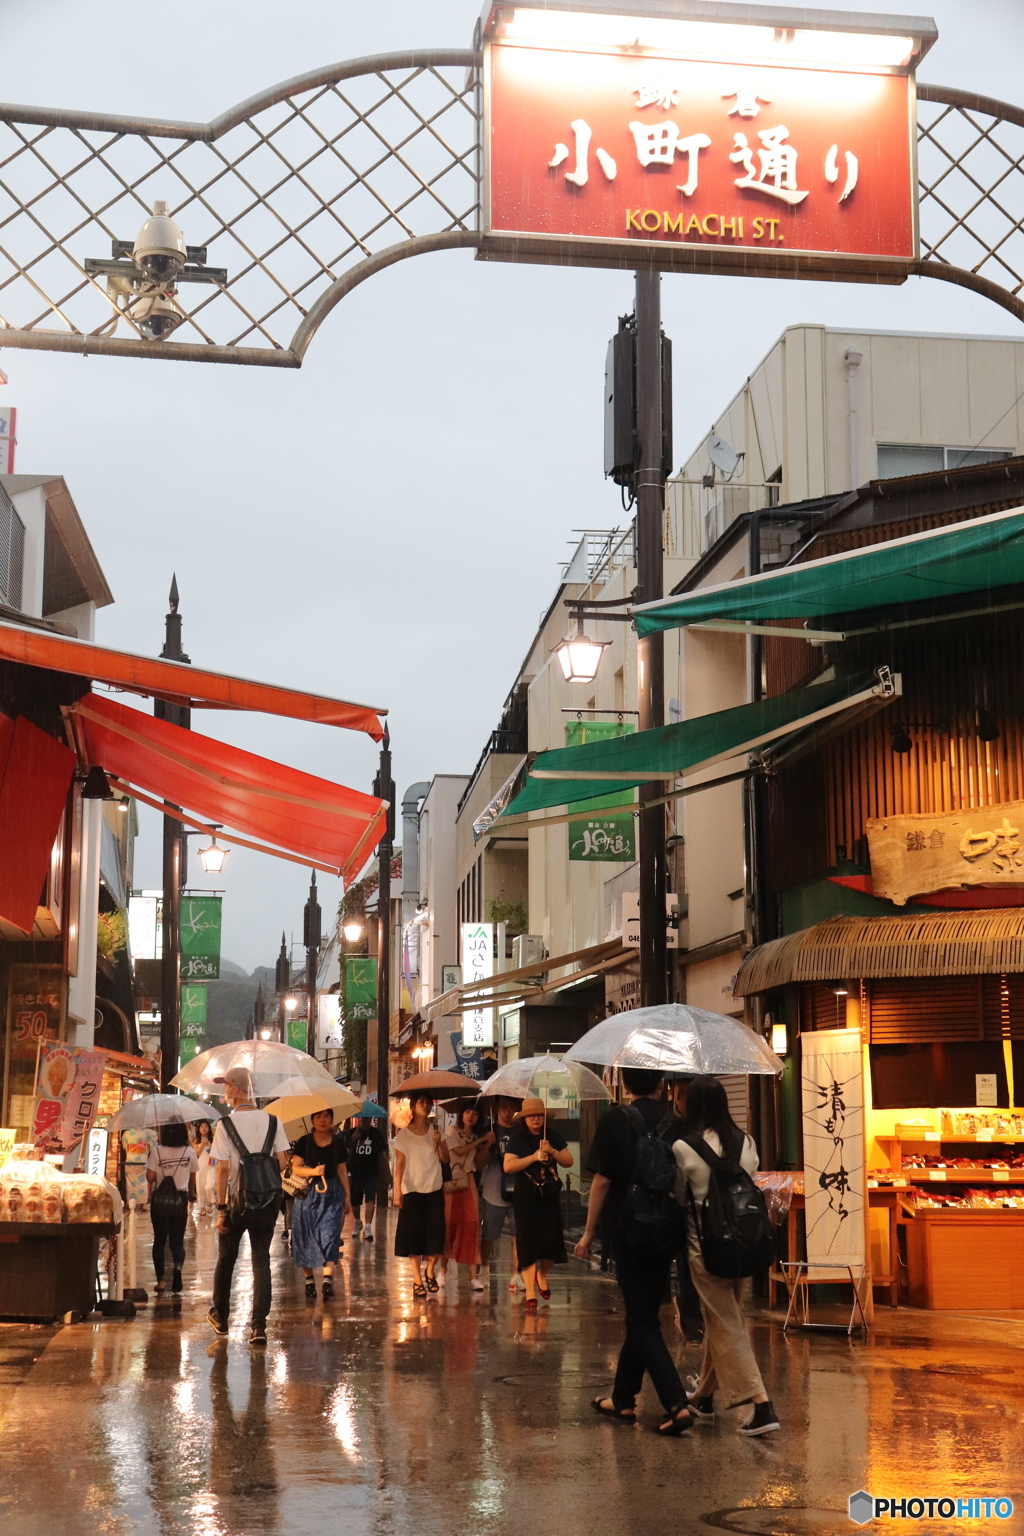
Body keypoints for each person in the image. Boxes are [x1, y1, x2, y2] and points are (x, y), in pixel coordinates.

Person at [574, 1067, 692, 1436]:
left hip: (627, 1230)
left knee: (642, 1319)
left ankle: (675, 1401)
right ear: (661, 1085)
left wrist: (589, 1231)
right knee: (642, 1312)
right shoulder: (676, 1124)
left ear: (624, 1084)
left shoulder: (614, 1121)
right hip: (667, 1230)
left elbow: (603, 1180)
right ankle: (622, 1397)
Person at [674, 1076, 780, 1436]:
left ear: (694, 1106)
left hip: (704, 1248)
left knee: (726, 1322)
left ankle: (762, 1404)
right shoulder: (747, 1141)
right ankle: (704, 1396)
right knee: (723, 1317)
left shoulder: (683, 1147)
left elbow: (677, 1197)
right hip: (744, 1244)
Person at [209, 1067, 290, 1346]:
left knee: (226, 1259)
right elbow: (283, 1162)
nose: (224, 1091)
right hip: (266, 1201)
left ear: (235, 1089)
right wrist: (261, 1171)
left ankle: (220, 1318)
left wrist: (221, 1209)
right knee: (261, 1261)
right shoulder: (273, 1121)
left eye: (226, 1086)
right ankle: (258, 1327)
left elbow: (221, 1170)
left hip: (236, 1202)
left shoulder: (225, 1125)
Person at [503, 1097, 573, 1309]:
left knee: (552, 1241)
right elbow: (508, 1166)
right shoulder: (517, 1138)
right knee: (528, 1243)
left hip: (549, 1195)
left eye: (539, 1115)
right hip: (526, 1196)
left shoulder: (551, 1136)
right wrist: (533, 1157)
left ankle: (542, 1275)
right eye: (531, 1116)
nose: (535, 1119)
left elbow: (568, 1160)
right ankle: (530, 1291)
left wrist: (552, 1151)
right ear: (524, 1119)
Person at [290, 1108, 351, 1302]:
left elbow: (342, 1171)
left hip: (332, 1194)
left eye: (326, 1116)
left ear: (332, 1120)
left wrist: (347, 1196)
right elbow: (295, 1167)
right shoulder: (304, 1142)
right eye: (318, 1116)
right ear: (312, 1120)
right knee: (305, 1236)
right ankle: (309, 1281)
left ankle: (326, 1280)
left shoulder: (338, 1143)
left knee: (331, 1235)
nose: (323, 1120)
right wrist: (315, 1171)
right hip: (307, 1195)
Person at [393, 1093, 449, 1298]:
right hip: (412, 1190)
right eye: (421, 1102)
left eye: (428, 1102)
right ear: (414, 1106)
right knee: (413, 1236)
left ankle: (430, 1269)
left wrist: (440, 1142)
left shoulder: (436, 1131)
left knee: (436, 1234)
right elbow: (399, 1165)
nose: (425, 1105)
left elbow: (445, 1159)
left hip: (433, 1188)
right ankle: (417, 1279)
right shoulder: (403, 1135)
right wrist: (397, 1190)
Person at [668, 1078, 704, 1344]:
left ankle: (694, 1321)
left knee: (687, 1265)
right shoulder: (733, 1136)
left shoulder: (674, 1134)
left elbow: (678, 1188)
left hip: (688, 1213)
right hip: (721, 1217)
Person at [146, 1120, 198, 1294]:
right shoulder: (189, 1151)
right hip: (180, 1199)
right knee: (177, 1240)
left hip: (160, 1200)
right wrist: (191, 1194)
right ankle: (177, 1267)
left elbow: (150, 1178)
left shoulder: (157, 1150)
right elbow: (192, 1178)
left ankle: (161, 1281)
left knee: (159, 1240)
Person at [444, 1103, 491, 1291]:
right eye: (468, 1112)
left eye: (475, 1113)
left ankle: (473, 1276)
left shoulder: (478, 1137)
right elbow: (458, 1151)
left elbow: (479, 1164)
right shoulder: (452, 1130)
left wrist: (487, 1144)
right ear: (461, 1114)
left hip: (469, 1180)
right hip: (453, 1180)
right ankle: (441, 1270)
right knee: (449, 1225)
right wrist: (480, 1142)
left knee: (471, 1224)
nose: (471, 1116)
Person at [479, 1097, 521, 1291]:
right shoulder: (490, 1131)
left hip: (518, 1188)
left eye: (511, 1108)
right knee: (489, 1234)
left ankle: (517, 1274)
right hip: (493, 1189)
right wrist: (488, 1144)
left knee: (517, 1234)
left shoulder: (521, 1130)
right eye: (503, 1108)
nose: (507, 1112)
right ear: (496, 1109)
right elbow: (479, 1162)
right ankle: (484, 1267)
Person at [347, 1113, 388, 1239]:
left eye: (368, 1119)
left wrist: (387, 1172)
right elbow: (344, 1152)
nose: (365, 1121)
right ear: (359, 1119)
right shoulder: (351, 1133)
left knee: (370, 1199)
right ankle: (358, 1222)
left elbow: (382, 1153)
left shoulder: (376, 1134)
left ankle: (368, 1226)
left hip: (371, 1172)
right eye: (363, 1118)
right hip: (355, 1172)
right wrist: (352, 1140)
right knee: (355, 1201)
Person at [192, 1119, 216, 1216]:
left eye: (206, 1126)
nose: (204, 1129)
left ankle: (209, 1203)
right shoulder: (195, 1140)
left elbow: (215, 1152)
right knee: (200, 1186)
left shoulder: (213, 1139)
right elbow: (196, 1153)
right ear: (198, 1129)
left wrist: (208, 1145)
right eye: (202, 1127)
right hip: (201, 1164)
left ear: (209, 1128)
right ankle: (202, 1207)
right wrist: (202, 1144)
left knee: (210, 1185)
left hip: (211, 1164)